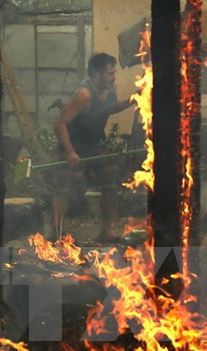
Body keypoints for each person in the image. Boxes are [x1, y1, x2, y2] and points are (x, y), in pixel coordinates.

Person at [52, 53, 133, 242]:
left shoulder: (110, 89)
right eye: (110, 73)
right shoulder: (83, 94)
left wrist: (133, 100)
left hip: (96, 145)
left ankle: (107, 231)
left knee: (110, 185)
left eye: (114, 73)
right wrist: (70, 151)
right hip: (72, 146)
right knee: (64, 189)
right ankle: (56, 233)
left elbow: (110, 108)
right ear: (97, 73)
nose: (114, 77)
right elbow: (60, 124)